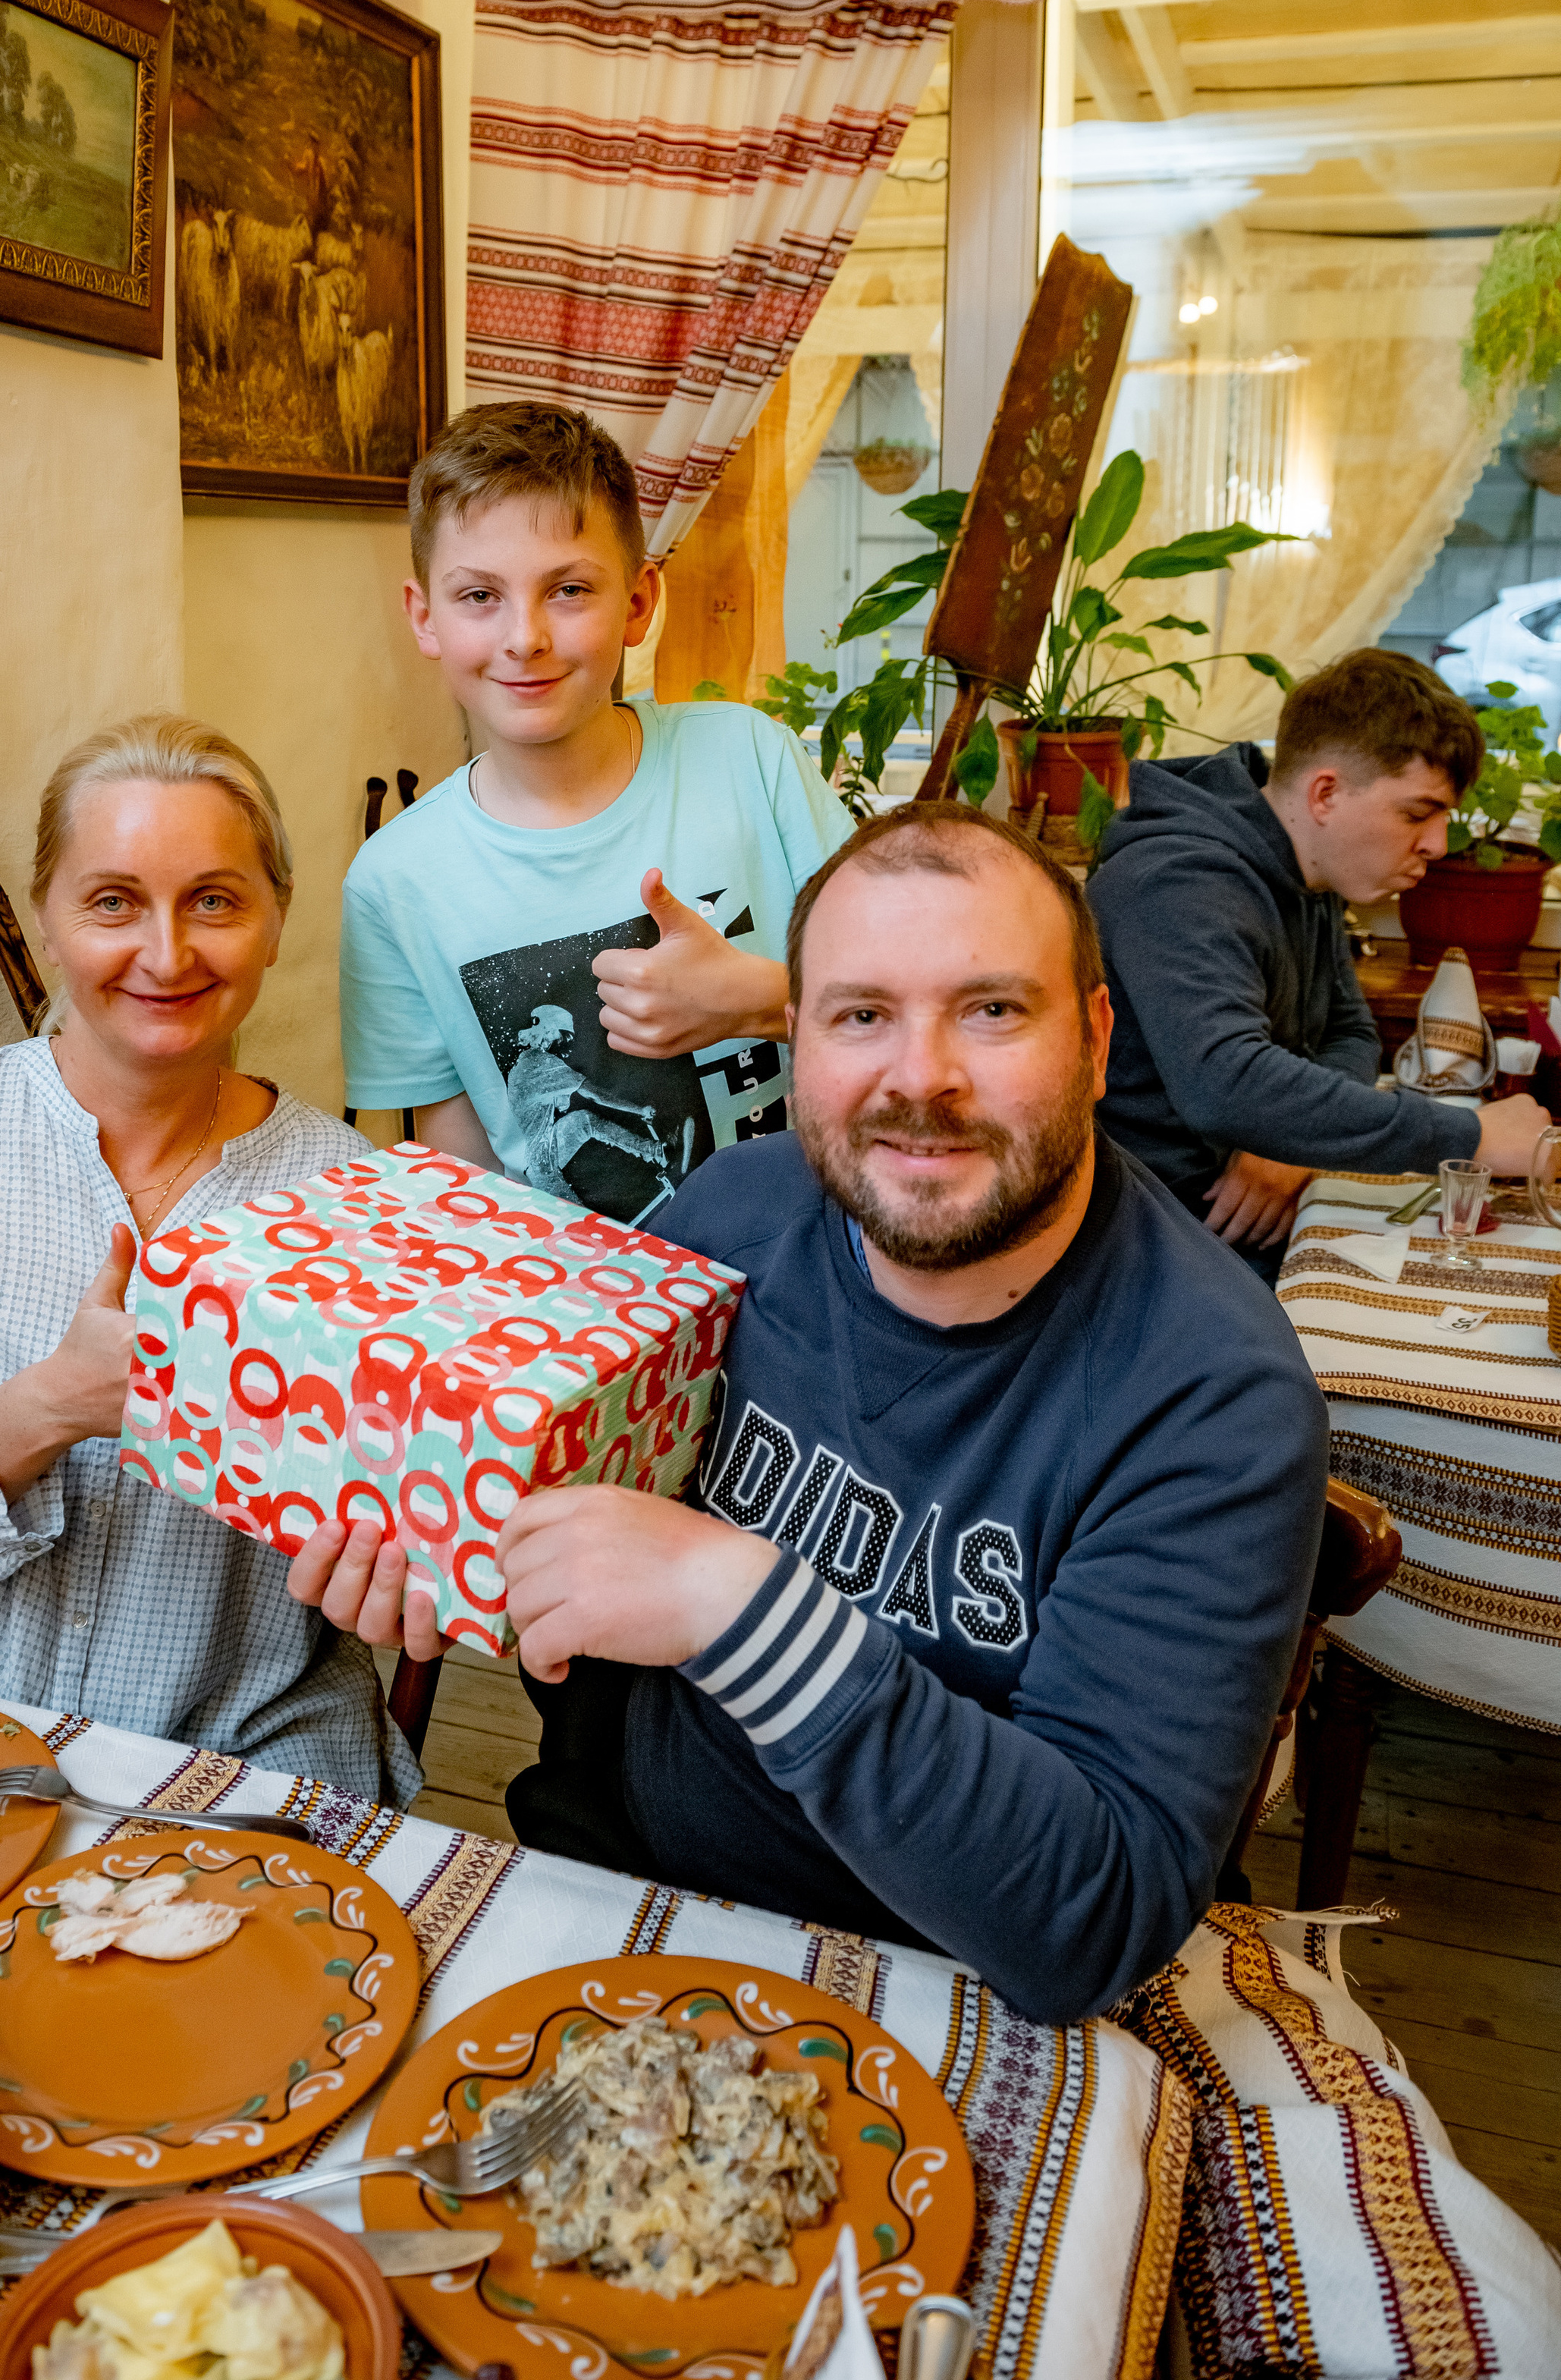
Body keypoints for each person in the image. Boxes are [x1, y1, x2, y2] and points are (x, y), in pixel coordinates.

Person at [300, 802, 1329, 2024]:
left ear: (1097, 1041)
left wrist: (738, 1605)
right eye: (860, 1015)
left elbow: (1088, 1920)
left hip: (959, 1991)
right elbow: (585, 1635)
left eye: (992, 1009)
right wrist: (457, 1568)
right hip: (614, 1889)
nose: (920, 1077)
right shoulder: (725, 1219)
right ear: (795, 1040)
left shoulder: (1214, 1398)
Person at [0, 715, 415, 1798]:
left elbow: (386, 1530)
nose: (166, 952)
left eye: (215, 899)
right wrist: (51, 1406)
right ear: (50, 921)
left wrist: (397, 1556)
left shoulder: (353, 1200)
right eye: (113, 900)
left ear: (276, 922)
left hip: (244, 1766)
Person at [338, 404, 854, 1228]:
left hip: (820, 1265)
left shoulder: (752, 763)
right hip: (582, 1319)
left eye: (569, 589)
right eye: (479, 596)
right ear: (424, 617)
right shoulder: (392, 883)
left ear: (640, 601)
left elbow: (909, 1006)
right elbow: (459, 1180)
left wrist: (762, 999)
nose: (524, 637)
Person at [1088, 649, 1550, 1272]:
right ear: (1326, 793)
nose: (1438, 844)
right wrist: (1473, 1137)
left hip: (1245, 1216)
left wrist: (1288, 1147)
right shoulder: (1176, 882)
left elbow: (1351, 1032)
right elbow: (1228, 1086)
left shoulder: (1310, 873)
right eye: (1417, 813)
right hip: (1155, 1236)